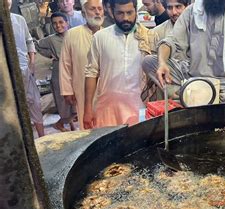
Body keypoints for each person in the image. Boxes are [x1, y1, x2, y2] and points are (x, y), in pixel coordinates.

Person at [142, 0, 225, 103]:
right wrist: (162, 63)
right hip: (192, 76)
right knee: (148, 62)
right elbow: (170, 41)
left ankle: (191, 96)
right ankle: (190, 93)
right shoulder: (192, 11)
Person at [83, 0, 150, 128]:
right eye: (120, 13)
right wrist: (87, 109)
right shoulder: (100, 37)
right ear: (112, 12)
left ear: (136, 11)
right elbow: (91, 73)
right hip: (107, 108)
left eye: (129, 12)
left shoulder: (148, 37)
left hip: (139, 107)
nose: (125, 18)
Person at [59, 0, 104, 130]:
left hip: (106, 90)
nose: (97, 12)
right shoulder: (72, 34)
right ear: (84, 13)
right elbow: (65, 63)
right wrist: (67, 90)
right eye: (93, 9)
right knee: (87, 124)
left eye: (100, 9)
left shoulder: (109, 34)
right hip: (82, 89)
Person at [8, 0, 45, 137]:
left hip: (25, 69)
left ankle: (42, 137)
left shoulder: (19, 19)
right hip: (6, 74)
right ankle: (19, 138)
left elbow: (29, 41)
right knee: (12, 105)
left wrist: (32, 63)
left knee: (34, 101)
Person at [35, 12, 76, 132]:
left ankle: (71, 125)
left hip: (73, 71)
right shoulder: (51, 39)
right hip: (59, 72)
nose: (58, 25)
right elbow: (36, 45)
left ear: (67, 23)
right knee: (64, 102)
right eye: (54, 23)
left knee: (75, 102)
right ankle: (59, 124)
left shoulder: (74, 35)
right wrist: (49, 55)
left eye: (61, 22)